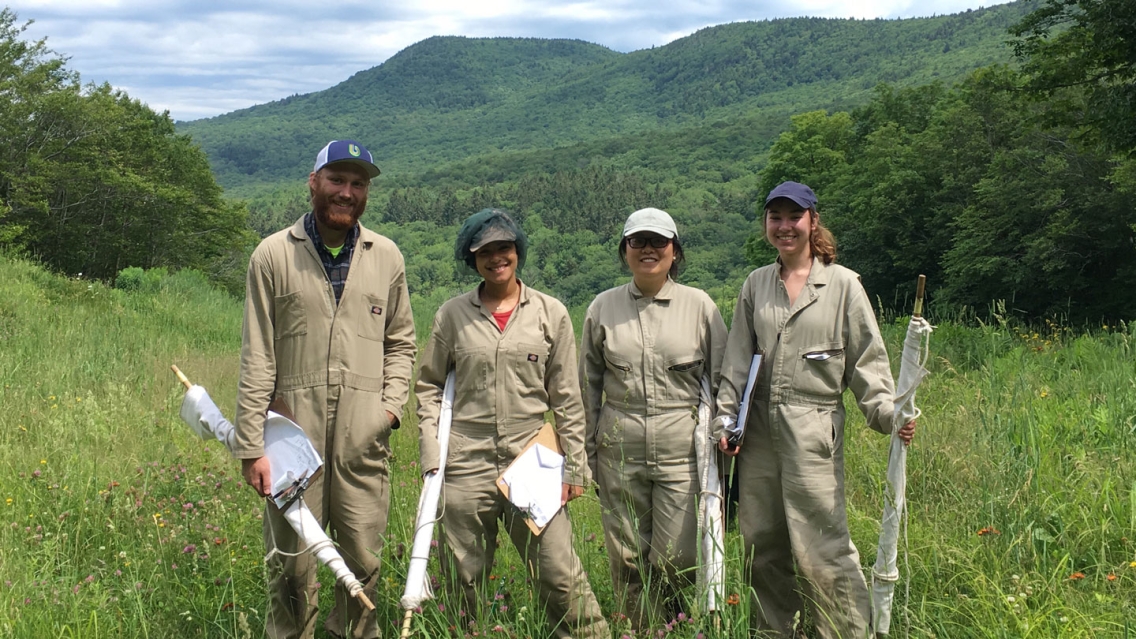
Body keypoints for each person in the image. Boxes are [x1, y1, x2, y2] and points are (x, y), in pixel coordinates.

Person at [715, 181, 916, 638]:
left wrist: (890, 414)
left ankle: (844, 631)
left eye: (794, 217)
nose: (784, 227)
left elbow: (867, 361)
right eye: (776, 217)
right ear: (767, 223)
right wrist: (726, 421)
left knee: (822, 544)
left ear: (812, 221)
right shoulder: (756, 285)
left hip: (815, 428)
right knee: (761, 544)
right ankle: (773, 632)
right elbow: (738, 362)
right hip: (759, 431)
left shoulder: (842, 285)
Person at [234, 140, 417, 639]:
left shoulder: (387, 256)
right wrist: (252, 444)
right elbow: (257, 355)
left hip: (364, 434)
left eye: (358, 184)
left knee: (361, 560)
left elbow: (402, 343)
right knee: (292, 565)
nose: (347, 192)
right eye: (337, 180)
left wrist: (389, 410)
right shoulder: (273, 255)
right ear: (314, 182)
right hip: (293, 435)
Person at [416, 208, 609, 639]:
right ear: (472, 259)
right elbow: (428, 386)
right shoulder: (452, 315)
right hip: (466, 457)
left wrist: (575, 466)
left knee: (559, 573)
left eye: (504, 247)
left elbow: (567, 398)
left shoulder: (550, 313)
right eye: (485, 251)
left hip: (532, 453)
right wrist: (432, 452)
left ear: (517, 251)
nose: (496, 257)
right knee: (462, 579)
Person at [579, 208, 726, 629]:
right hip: (619, 447)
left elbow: (722, 382)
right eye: (637, 241)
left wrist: (723, 441)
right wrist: (583, 454)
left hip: (682, 448)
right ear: (624, 250)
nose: (648, 250)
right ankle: (642, 630)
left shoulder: (700, 307)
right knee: (627, 556)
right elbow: (587, 386)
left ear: (675, 251)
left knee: (676, 556)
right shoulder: (602, 308)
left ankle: (678, 625)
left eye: (658, 242)